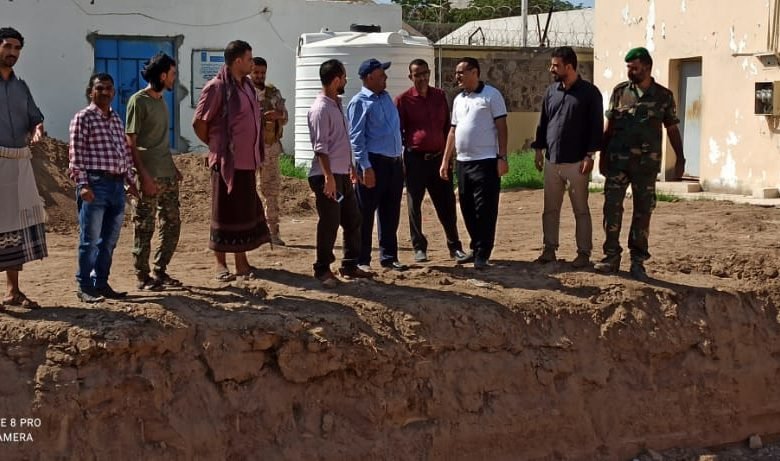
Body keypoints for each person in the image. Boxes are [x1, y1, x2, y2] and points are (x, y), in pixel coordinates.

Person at [595, 47, 685, 281]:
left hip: (646, 165)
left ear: (647, 67)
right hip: (618, 162)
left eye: (634, 68)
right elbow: (609, 127)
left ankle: (638, 262)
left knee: (643, 212)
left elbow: (672, 129)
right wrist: (602, 156)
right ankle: (611, 257)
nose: (630, 71)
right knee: (612, 209)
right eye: (628, 67)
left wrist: (680, 158)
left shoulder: (663, 96)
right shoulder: (620, 92)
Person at [193, 40, 271, 281]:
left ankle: (241, 262)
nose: (252, 63)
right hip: (227, 163)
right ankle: (220, 264)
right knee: (224, 213)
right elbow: (199, 123)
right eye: (249, 59)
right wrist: (217, 146)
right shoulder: (216, 88)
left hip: (248, 162)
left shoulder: (247, 86)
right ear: (238, 61)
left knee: (242, 214)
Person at [69, 73, 139, 303]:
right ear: (91, 92)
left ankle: (101, 282)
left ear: (114, 92)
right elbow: (76, 155)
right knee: (89, 240)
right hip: (95, 185)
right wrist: (83, 185)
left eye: (109, 88)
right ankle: (85, 286)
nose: (105, 92)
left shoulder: (116, 119)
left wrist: (130, 181)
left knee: (108, 241)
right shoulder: (83, 118)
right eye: (100, 88)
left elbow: (124, 153)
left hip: (117, 186)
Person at [532, 46, 603, 269]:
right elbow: (544, 122)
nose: (551, 69)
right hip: (552, 161)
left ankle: (583, 253)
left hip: (577, 163)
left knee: (580, 210)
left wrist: (590, 155)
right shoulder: (551, 92)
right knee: (550, 209)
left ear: (569, 67)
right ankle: (549, 249)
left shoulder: (590, 93)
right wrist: (539, 149)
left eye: (556, 65)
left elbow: (596, 127)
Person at [307, 59, 374, 287]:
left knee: (353, 218)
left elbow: (340, 141)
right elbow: (321, 147)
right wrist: (328, 178)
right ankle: (322, 269)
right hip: (327, 176)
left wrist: (350, 166)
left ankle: (350, 264)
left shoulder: (337, 104)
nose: (346, 80)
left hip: (342, 173)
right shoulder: (320, 109)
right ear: (336, 79)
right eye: (344, 77)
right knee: (330, 221)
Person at [440, 57, 508, 270]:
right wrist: (445, 160)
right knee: (466, 207)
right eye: (457, 73)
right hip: (463, 162)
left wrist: (502, 157)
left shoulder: (491, 95)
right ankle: (476, 246)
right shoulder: (459, 99)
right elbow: (453, 130)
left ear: (474, 72)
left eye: (461, 72)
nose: (457, 76)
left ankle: (483, 253)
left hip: (486, 161)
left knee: (485, 209)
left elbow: (502, 127)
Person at [395, 58, 466, 263]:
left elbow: (447, 128)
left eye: (425, 73)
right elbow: (398, 132)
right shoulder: (403, 100)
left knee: (447, 204)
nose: (422, 78)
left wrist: (448, 157)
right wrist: (402, 159)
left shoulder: (440, 96)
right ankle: (419, 247)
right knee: (414, 205)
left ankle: (455, 246)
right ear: (411, 77)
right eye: (418, 74)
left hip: (438, 159)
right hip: (415, 160)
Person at [126, 52, 182, 291]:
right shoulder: (138, 101)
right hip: (148, 176)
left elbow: (159, 140)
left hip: (166, 173)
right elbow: (131, 141)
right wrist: (143, 176)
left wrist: (173, 167)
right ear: (162, 75)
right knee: (145, 226)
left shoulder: (161, 101)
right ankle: (142, 275)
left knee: (172, 224)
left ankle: (160, 270)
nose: (174, 78)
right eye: (172, 74)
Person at [0, 27, 46, 310]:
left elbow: (35, 118)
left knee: (14, 228)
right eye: (7, 46)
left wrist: (37, 129)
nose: (12, 52)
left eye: (17, 48)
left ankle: (13, 291)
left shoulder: (21, 87)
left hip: (18, 162)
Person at [347, 58, 407, 272]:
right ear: (369, 77)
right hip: (374, 162)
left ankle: (389, 257)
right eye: (381, 74)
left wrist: (400, 158)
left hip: (394, 163)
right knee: (365, 212)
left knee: (391, 211)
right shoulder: (359, 102)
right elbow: (356, 138)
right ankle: (362, 259)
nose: (385, 78)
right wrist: (365, 166)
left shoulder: (386, 98)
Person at [251, 56, 288, 246]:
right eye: (256, 72)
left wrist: (277, 115)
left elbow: (285, 116)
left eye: (262, 73)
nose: (260, 76)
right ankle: (249, 233)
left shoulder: (273, 93)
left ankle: (272, 232)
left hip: (270, 147)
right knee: (247, 192)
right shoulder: (244, 92)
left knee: (271, 191)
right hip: (248, 149)